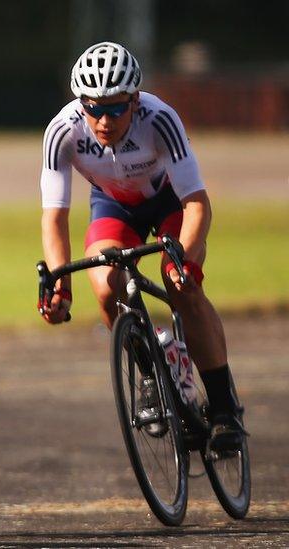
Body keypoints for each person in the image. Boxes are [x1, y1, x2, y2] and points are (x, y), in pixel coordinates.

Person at [38, 41, 244, 450]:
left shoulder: (160, 119)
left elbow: (197, 203)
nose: (103, 120)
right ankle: (150, 375)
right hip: (114, 205)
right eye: (92, 107)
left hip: (172, 203)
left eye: (114, 108)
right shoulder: (62, 131)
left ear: (134, 101)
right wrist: (60, 283)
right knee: (105, 285)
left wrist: (183, 258)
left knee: (182, 286)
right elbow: (54, 216)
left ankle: (224, 409)